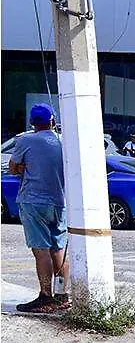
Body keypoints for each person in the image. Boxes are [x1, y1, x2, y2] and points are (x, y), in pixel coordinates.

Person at [10, 103, 70, 313]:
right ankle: (63, 295)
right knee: (58, 248)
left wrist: (23, 167)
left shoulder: (25, 140)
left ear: (32, 123)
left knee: (41, 249)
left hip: (33, 201)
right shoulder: (64, 140)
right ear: (53, 121)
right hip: (59, 202)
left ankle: (46, 296)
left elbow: (13, 168)